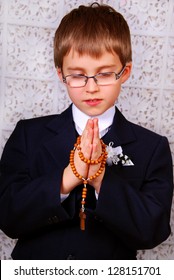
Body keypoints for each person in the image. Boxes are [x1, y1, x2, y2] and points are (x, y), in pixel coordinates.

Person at [0, 3, 173, 260]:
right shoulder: (28, 134)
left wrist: (100, 179)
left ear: (125, 72)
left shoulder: (152, 147)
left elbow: (153, 231)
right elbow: (8, 217)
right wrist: (69, 176)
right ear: (61, 74)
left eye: (104, 74)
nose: (91, 88)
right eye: (78, 75)